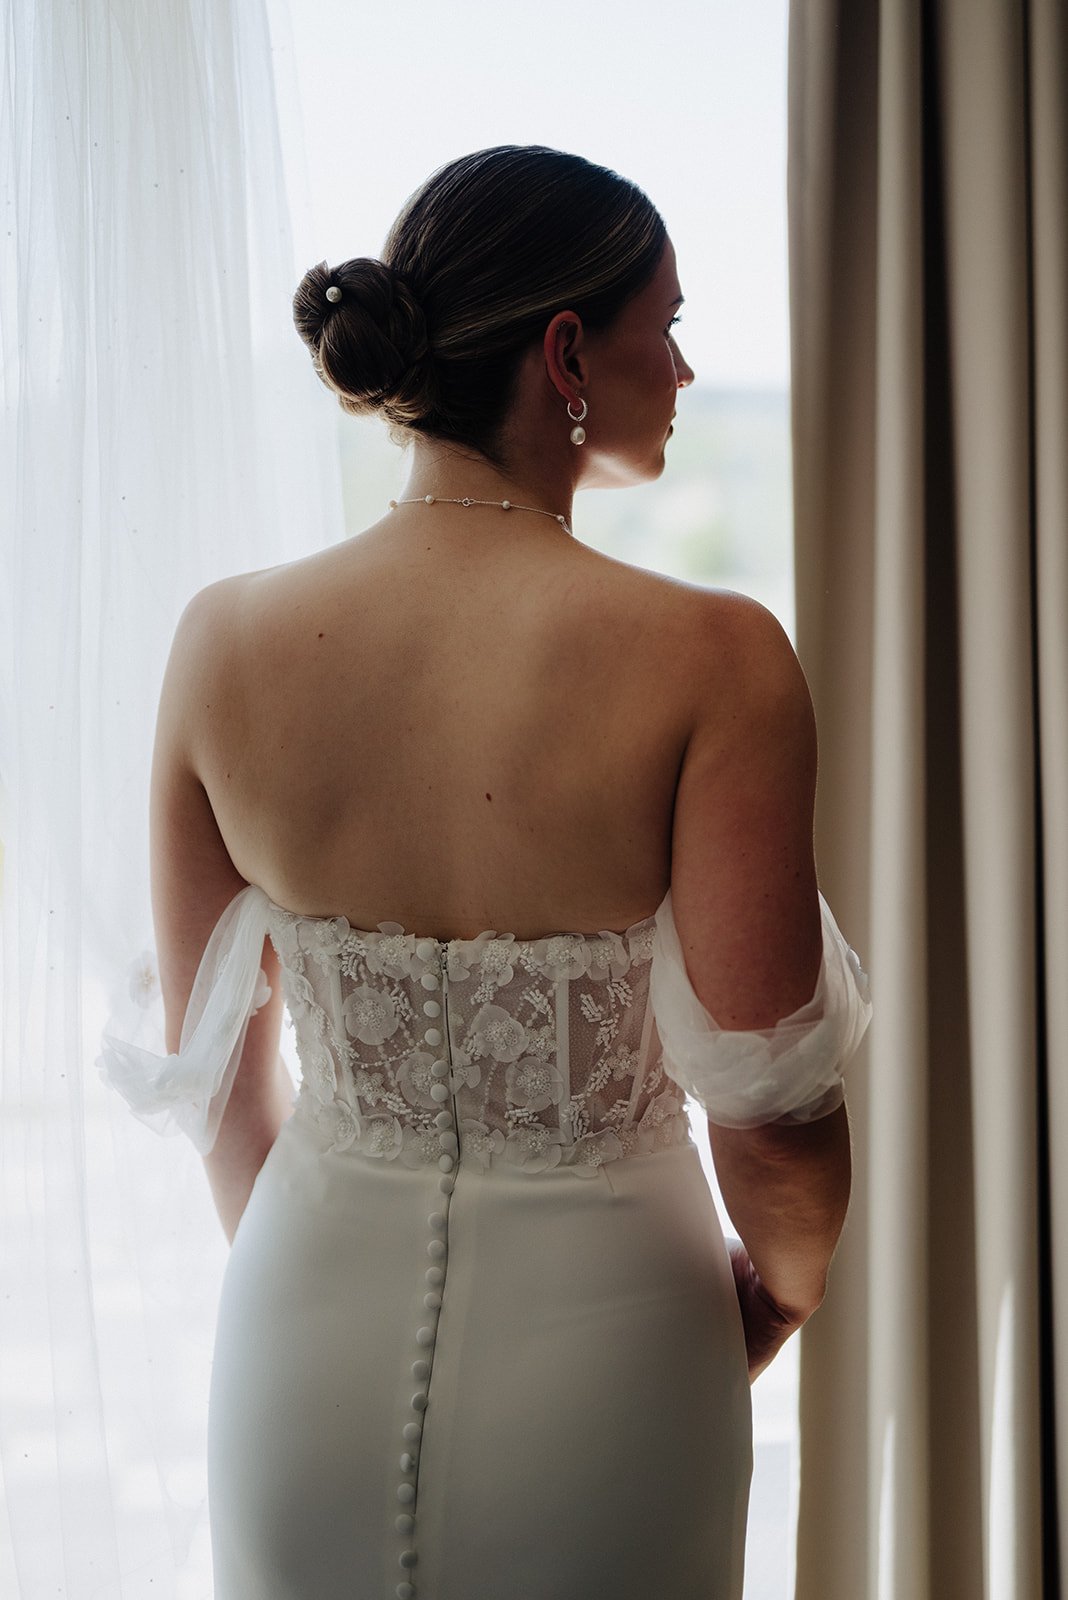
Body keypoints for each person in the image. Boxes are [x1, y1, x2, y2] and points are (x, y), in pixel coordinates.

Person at [99, 144, 872, 1600]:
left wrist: (323, 1270)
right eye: (669, 326)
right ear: (566, 352)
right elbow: (771, 1123)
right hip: (616, 1353)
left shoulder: (222, 641)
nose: (686, 370)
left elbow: (223, 1098)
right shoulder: (714, 659)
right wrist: (780, 1299)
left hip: (298, 1343)